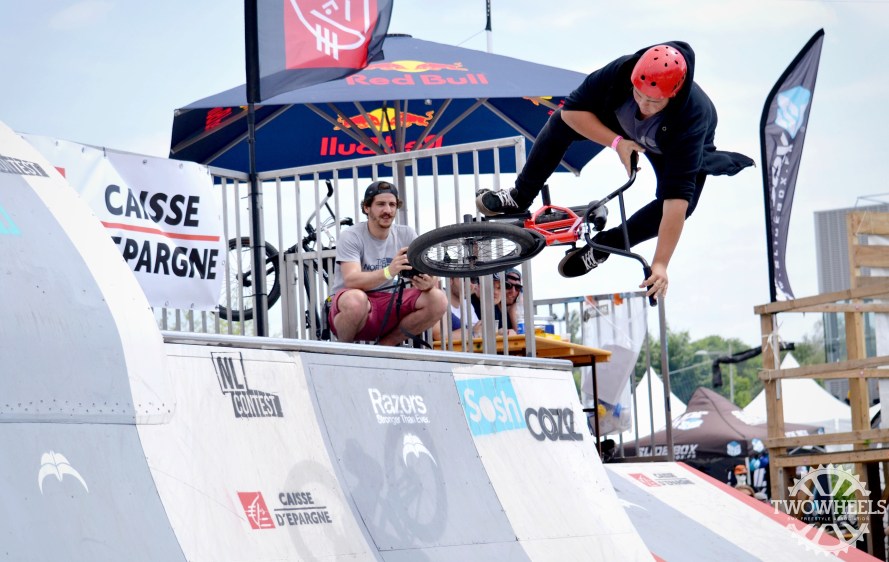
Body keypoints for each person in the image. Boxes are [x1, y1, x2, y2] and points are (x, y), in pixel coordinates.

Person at [476, 42, 754, 300]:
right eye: (639, 95)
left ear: (674, 95)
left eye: (654, 102)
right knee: (560, 122)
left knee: (686, 204)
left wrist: (660, 263)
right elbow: (571, 113)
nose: (644, 105)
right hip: (622, 127)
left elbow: (676, 200)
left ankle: (606, 245)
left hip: (669, 146)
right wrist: (617, 143)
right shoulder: (620, 70)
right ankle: (520, 195)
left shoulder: (692, 116)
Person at [327, 180, 448, 346]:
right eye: (381, 204)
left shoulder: (406, 233)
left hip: (390, 303)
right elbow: (351, 280)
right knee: (356, 300)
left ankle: (385, 347)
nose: (388, 210)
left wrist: (428, 283)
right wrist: (388, 271)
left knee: (438, 298)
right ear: (366, 208)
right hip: (353, 307)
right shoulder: (351, 235)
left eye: (392, 205)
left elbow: (429, 275)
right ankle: (344, 351)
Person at [433, 277, 482, 341]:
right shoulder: (439, 301)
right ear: (450, 280)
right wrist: (473, 333)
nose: (470, 284)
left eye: (473, 280)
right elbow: (440, 336)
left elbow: (478, 330)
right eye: (464, 278)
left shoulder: (467, 305)